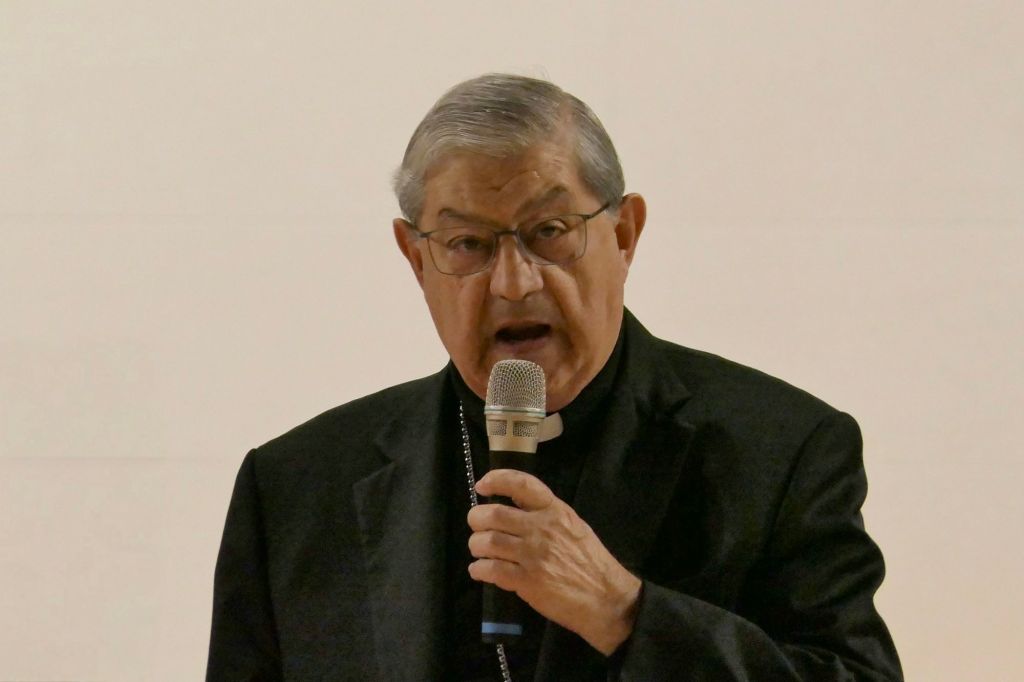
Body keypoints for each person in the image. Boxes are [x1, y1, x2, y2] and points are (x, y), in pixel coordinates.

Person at [206, 73, 902, 681]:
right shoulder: (297, 489)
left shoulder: (782, 451)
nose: (514, 283)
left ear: (624, 235)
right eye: (467, 244)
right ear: (415, 259)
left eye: (550, 231)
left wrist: (623, 612)